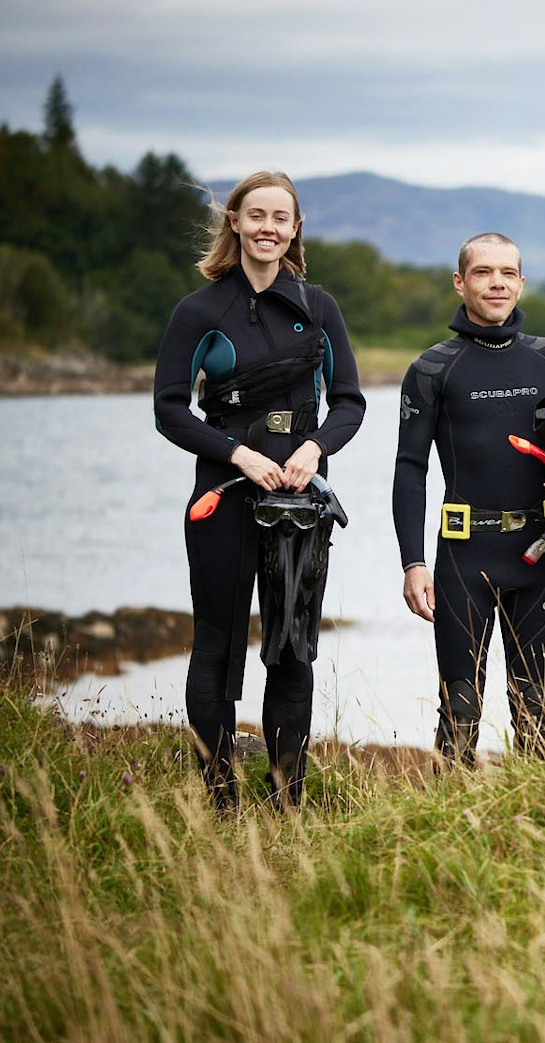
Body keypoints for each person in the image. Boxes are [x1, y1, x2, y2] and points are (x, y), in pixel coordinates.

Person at [153, 170, 367, 809]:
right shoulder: (200, 311)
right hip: (223, 492)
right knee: (215, 645)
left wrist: (314, 448)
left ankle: (286, 799)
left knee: (293, 649)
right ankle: (221, 799)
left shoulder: (319, 307)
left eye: (282, 217)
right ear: (235, 224)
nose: (269, 228)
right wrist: (238, 455)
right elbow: (169, 409)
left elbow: (350, 403)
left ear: (295, 229)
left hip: (301, 500)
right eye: (257, 216)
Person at [394, 233, 545, 764]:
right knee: (459, 704)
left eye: (508, 273)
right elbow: (410, 468)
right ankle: (450, 823)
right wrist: (414, 563)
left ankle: (540, 825)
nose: (497, 283)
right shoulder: (433, 368)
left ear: (521, 282)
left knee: (533, 700)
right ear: (460, 282)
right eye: (483, 273)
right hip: (464, 556)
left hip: (538, 553)